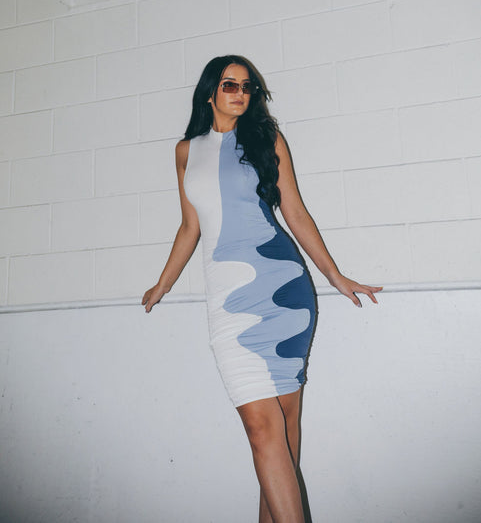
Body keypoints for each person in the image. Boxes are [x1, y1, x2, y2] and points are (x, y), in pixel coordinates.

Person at [142, 55, 382, 523]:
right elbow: (190, 225)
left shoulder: (266, 139)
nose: (240, 93)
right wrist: (163, 283)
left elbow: (295, 212)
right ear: (209, 92)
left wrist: (335, 277)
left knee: (280, 435)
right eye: (229, 84)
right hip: (229, 302)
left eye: (247, 86)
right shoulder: (185, 151)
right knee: (264, 431)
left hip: (284, 290)